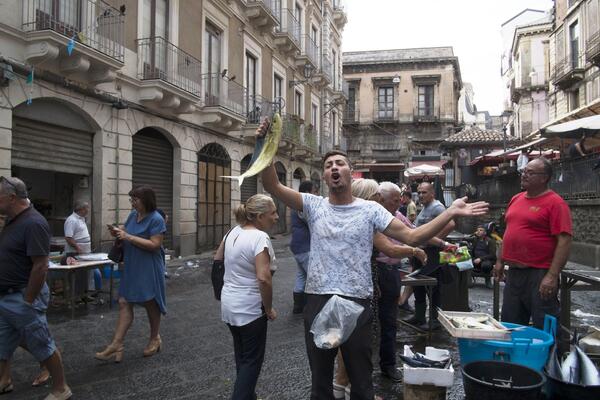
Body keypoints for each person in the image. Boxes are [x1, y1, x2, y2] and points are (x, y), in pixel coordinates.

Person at [258, 120, 488, 400]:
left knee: (362, 382)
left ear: (350, 173)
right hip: (318, 299)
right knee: (320, 383)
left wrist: (450, 212)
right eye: (329, 164)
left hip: (357, 300)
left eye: (339, 163)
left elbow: (412, 237)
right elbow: (273, 184)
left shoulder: (370, 210)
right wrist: (266, 144)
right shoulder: (313, 204)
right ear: (324, 175)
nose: (333, 167)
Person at [0, 176, 71, 400]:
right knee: (2, 343)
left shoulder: (34, 223)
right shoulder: (12, 220)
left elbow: (41, 266)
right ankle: (4, 380)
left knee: (41, 341)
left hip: (22, 294)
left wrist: (28, 300)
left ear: (11, 198)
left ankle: (61, 388)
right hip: (7, 294)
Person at [494, 158, 572, 329]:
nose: (524, 175)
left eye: (530, 172)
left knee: (544, 323)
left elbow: (564, 240)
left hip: (539, 272)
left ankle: (552, 355)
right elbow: (508, 232)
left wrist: (552, 276)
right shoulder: (516, 198)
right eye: (524, 171)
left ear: (544, 178)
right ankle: (516, 356)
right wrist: (500, 261)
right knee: (510, 323)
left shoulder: (555, 203)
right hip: (514, 272)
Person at [216, 194, 278, 400]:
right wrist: (268, 309)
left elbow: (217, 261)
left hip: (229, 305)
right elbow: (264, 278)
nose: (276, 217)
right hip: (250, 308)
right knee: (252, 361)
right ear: (260, 216)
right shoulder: (259, 237)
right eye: (273, 213)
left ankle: (248, 395)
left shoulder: (232, 232)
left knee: (242, 357)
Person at [95, 185, 167, 362]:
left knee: (150, 301)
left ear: (146, 201)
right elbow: (127, 230)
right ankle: (116, 344)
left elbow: (155, 244)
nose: (132, 203)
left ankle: (154, 338)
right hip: (132, 264)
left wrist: (127, 237)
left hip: (148, 265)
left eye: (135, 200)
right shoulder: (133, 216)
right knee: (124, 301)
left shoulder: (156, 219)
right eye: (132, 200)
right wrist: (118, 232)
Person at [375, 182, 427, 382]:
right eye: (395, 200)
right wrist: (413, 251)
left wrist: (443, 242)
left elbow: (413, 232)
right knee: (364, 325)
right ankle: (354, 375)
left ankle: (388, 366)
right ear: (381, 198)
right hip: (374, 269)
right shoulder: (371, 215)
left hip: (391, 272)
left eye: (400, 199)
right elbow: (389, 248)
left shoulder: (397, 217)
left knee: (389, 321)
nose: (400, 203)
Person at [404, 182, 455, 330]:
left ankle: (434, 320)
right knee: (418, 285)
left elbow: (451, 224)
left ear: (432, 193)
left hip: (432, 254)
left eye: (424, 192)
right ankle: (419, 316)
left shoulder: (437, 207)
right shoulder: (425, 208)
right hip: (421, 253)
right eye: (419, 192)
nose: (420, 195)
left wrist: (435, 240)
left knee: (433, 287)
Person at [63, 201, 100, 298]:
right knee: (77, 276)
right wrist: (78, 247)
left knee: (84, 275)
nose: (88, 210)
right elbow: (68, 237)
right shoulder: (72, 220)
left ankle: (83, 295)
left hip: (84, 252)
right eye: (86, 208)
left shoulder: (82, 219)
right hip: (74, 253)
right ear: (80, 209)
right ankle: (75, 296)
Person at [290, 181, 317, 314]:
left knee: (301, 275)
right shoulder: (303, 204)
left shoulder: (297, 202)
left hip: (297, 245)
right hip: (305, 246)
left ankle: (298, 306)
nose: (315, 193)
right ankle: (311, 306)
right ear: (308, 191)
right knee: (313, 277)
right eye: (314, 190)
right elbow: (311, 221)